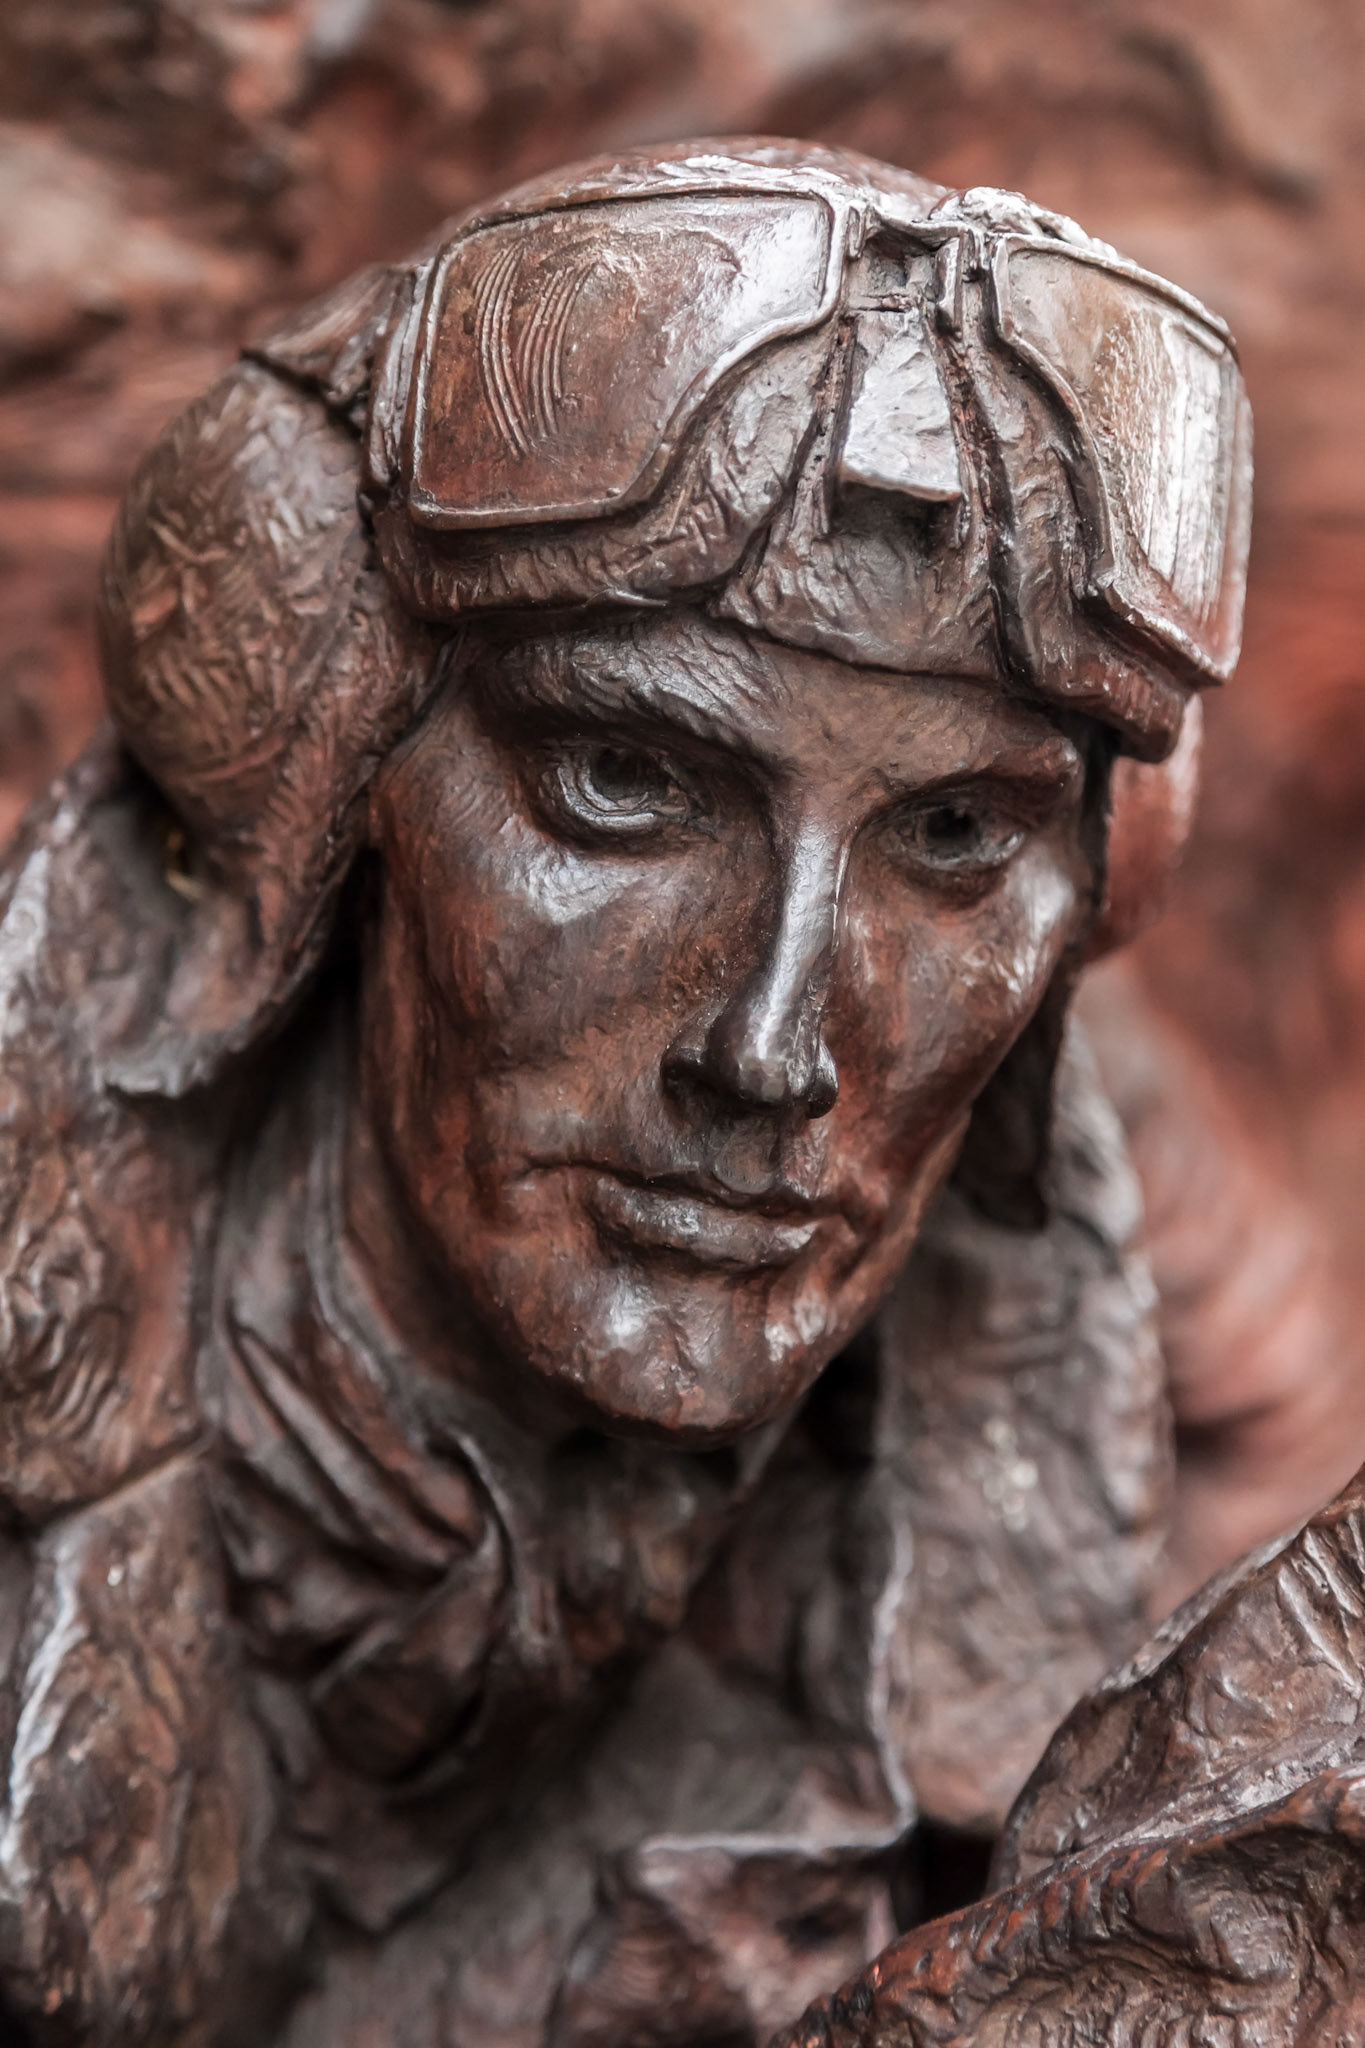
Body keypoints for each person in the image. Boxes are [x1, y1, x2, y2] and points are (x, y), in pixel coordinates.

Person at [0, 140, 1256, 2045]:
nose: (771, 1049)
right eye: (621, 787)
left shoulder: (1125, 1418)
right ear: (329, 801)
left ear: (1095, 889)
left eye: (948, 836)